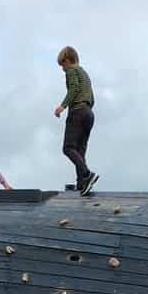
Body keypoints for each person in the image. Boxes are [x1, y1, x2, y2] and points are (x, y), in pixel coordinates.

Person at [53, 45, 98, 196]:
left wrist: (63, 106)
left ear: (69, 60)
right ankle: (82, 183)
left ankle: (86, 174)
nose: (63, 69)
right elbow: (91, 97)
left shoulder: (72, 71)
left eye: (63, 64)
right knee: (80, 150)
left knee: (68, 148)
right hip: (89, 113)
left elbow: (73, 89)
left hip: (77, 111)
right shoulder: (84, 73)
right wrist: (87, 109)